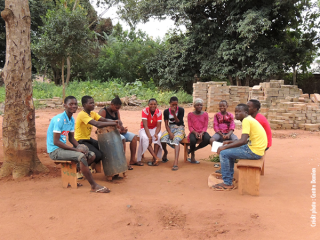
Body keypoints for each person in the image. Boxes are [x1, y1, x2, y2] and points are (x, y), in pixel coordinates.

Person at [47, 96, 111, 193]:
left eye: (75, 104)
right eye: (71, 104)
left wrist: (79, 146)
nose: (74, 106)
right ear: (64, 105)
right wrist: (76, 150)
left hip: (62, 149)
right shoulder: (59, 120)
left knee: (91, 155)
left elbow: (72, 138)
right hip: (55, 151)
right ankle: (94, 186)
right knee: (81, 156)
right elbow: (56, 142)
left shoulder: (71, 120)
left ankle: (76, 172)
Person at [212, 104, 267, 191]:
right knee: (228, 150)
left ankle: (227, 183)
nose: (236, 114)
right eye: (235, 112)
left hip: (254, 151)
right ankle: (228, 177)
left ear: (246, 112)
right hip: (255, 148)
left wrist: (224, 147)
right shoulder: (249, 119)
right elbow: (245, 140)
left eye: (239, 112)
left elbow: (243, 141)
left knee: (224, 153)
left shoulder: (246, 121)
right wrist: (230, 142)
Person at [74, 96, 118, 167]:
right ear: (84, 105)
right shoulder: (82, 114)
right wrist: (114, 123)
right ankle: (79, 169)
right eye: (90, 103)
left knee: (104, 147)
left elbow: (104, 120)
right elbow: (97, 124)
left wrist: (115, 121)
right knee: (98, 155)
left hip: (88, 139)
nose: (93, 104)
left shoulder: (92, 113)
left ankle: (91, 166)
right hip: (80, 141)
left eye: (93, 102)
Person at [98, 96, 140, 170]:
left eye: (119, 108)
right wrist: (116, 129)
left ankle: (132, 160)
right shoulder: (103, 111)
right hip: (107, 134)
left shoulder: (116, 111)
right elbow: (99, 126)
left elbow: (119, 123)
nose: (117, 109)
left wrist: (122, 129)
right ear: (112, 104)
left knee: (133, 137)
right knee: (122, 139)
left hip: (117, 132)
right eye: (116, 108)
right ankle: (122, 163)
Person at [160, 96, 185, 171]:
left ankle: (175, 162)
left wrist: (174, 114)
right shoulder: (166, 111)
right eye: (172, 105)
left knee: (176, 139)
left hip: (179, 127)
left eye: (176, 105)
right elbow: (166, 124)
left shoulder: (181, 110)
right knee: (162, 139)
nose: (174, 106)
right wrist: (170, 133)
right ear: (169, 104)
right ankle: (165, 152)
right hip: (170, 128)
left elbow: (179, 122)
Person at [137, 98, 162, 166]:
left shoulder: (159, 112)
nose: (153, 105)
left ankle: (154, 159)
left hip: (154, 128)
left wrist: (156, 134)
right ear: (148, 104)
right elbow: (145, 125)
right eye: (151, 104)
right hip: (144, 129)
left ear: (157, 105)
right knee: (145, 138)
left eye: (155, 104)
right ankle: (155, 157)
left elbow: (159, 126)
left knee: (159, 137)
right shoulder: (145, 111)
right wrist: (149, 137)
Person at [187, 98, 211, 164]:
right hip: (193, 132)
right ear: (194, 106)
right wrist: (195, 133)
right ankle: (192, 155)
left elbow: (205, 126)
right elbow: (190, 127)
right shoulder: (190, 115)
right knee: (193, 140)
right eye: (197, 105)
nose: (199, 106)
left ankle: (193, 150)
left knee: (207, 139)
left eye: (200, 105)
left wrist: (202, 133)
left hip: (202, 132)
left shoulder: (205, 114)